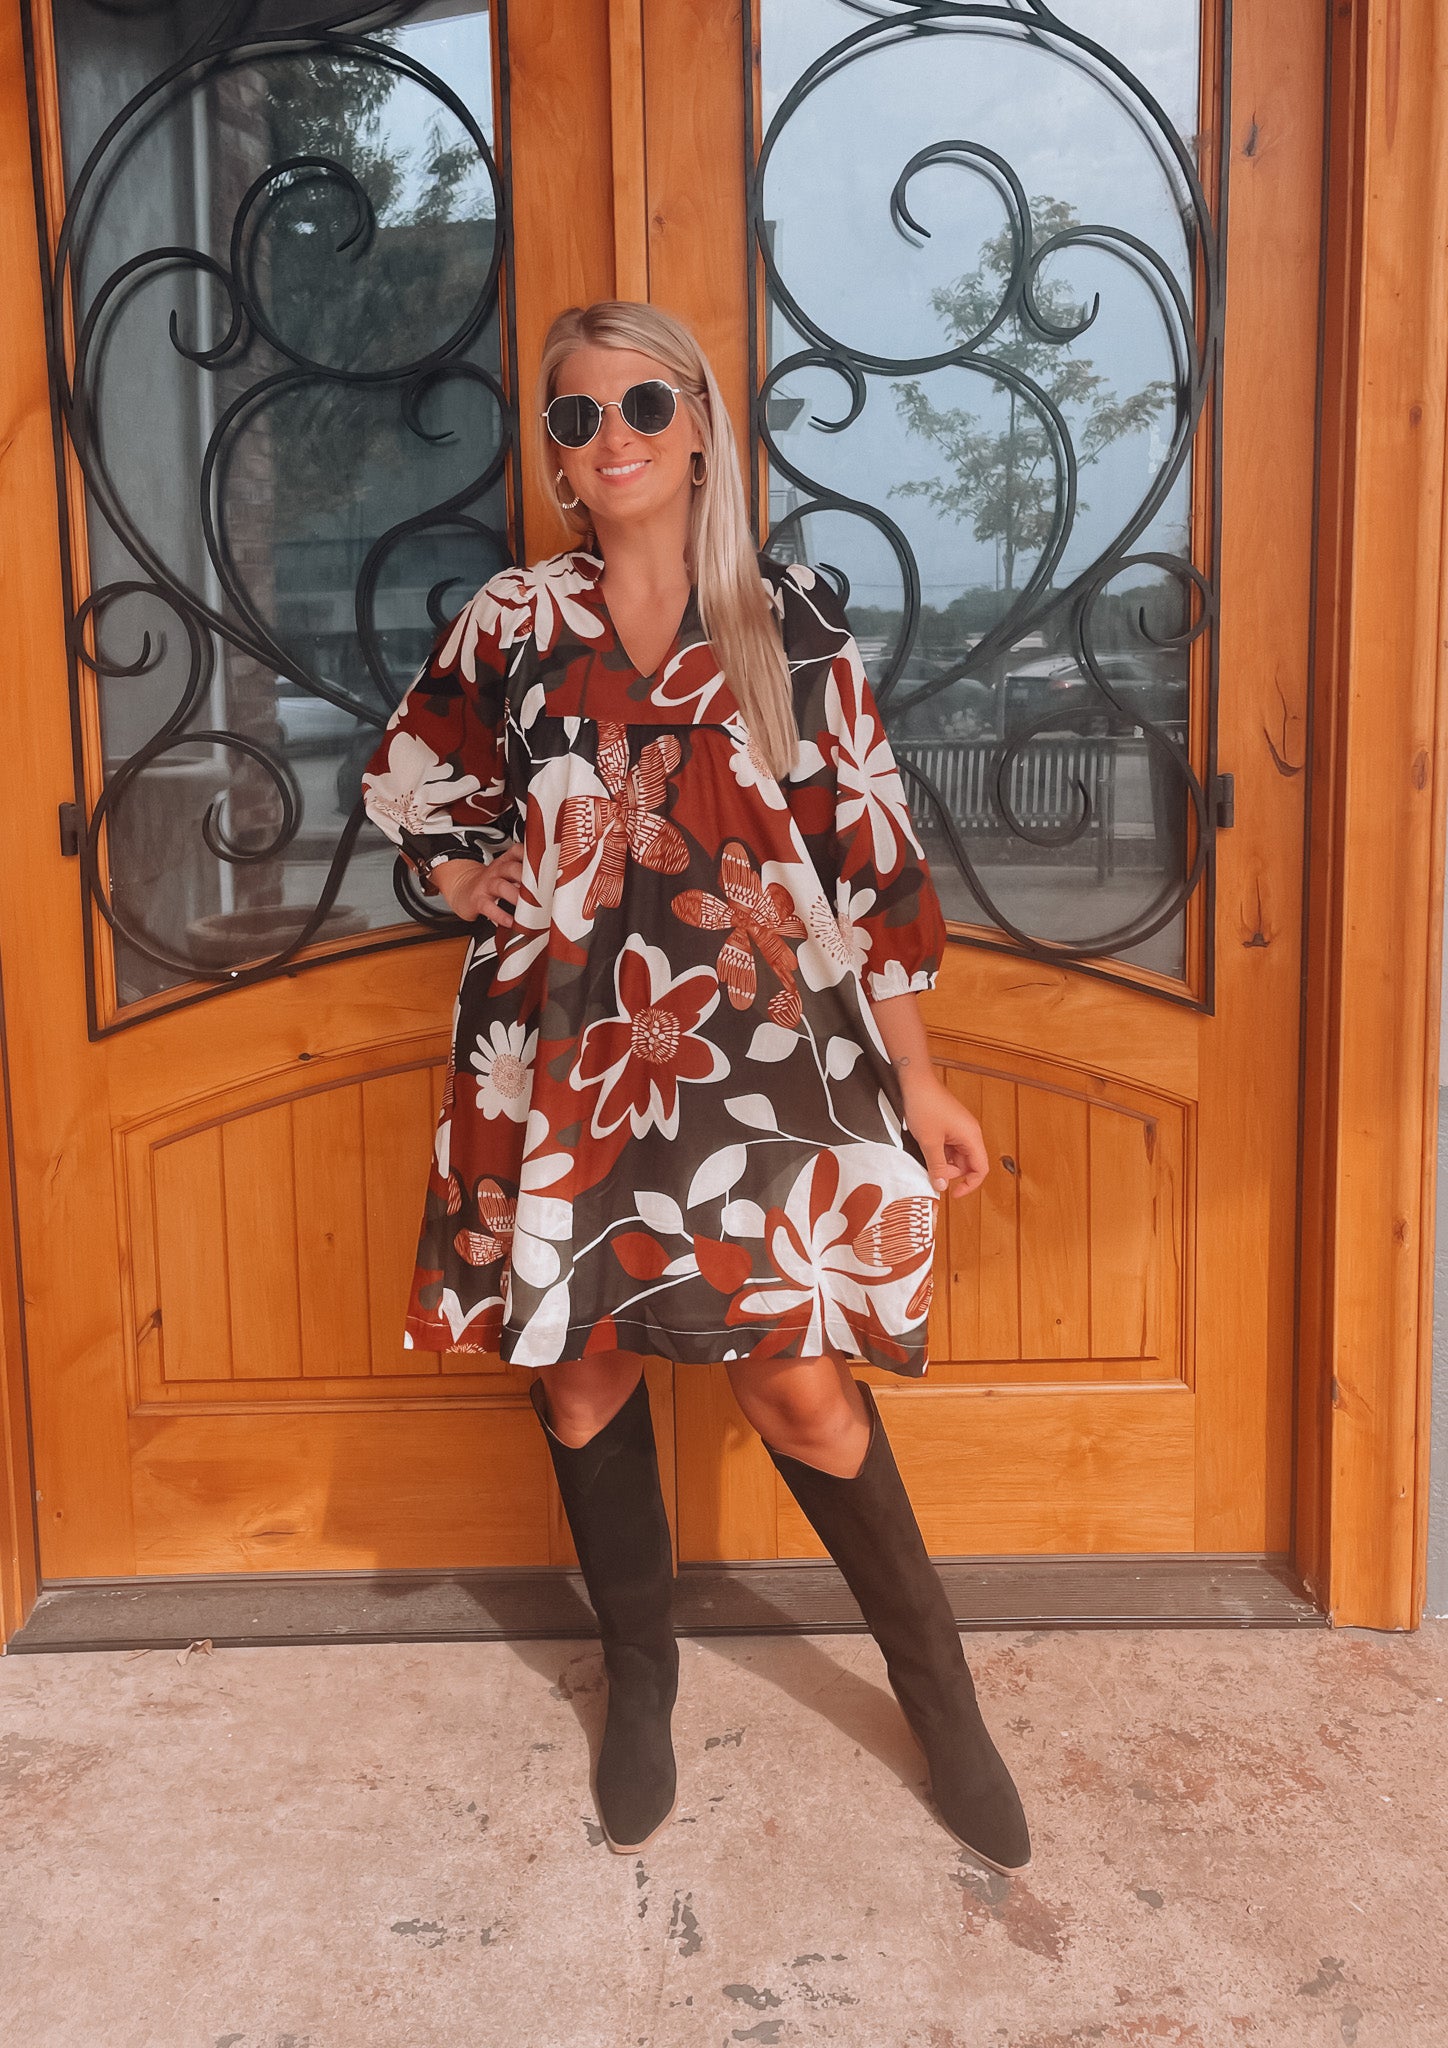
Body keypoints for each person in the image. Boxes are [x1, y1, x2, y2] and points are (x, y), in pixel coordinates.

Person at [360, 300, 1030, 1875]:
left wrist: (921, 1080)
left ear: (703, 427)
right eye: (577, 416)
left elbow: (871, 858)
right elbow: (412, 779)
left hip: (767, 1052)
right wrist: (467, 881)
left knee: (796, 1383)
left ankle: (943, 1704)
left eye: (644, 404)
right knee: (583, 1373)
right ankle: (642, 1685)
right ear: (556, 453)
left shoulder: (787, 619)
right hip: (561, 1050)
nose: (614, 438)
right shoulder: (514, 619)